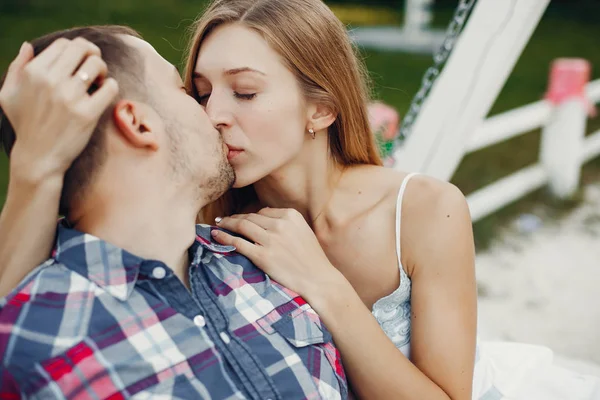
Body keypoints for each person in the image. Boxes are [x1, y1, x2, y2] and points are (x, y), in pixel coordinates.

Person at [1, 0, 599, 399]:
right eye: (201, 92)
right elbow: (44, 284)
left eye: (246, 92)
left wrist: (325, 284)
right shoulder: (212, 226)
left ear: (322, 107)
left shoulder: (422, 210)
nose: (214, 117)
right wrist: (35, 165)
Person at [0, 26, 347, 399]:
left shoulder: (271, 264)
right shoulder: (35, 343)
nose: (213, 115)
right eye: (190, 94)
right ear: (138, 123)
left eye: (244, 93)